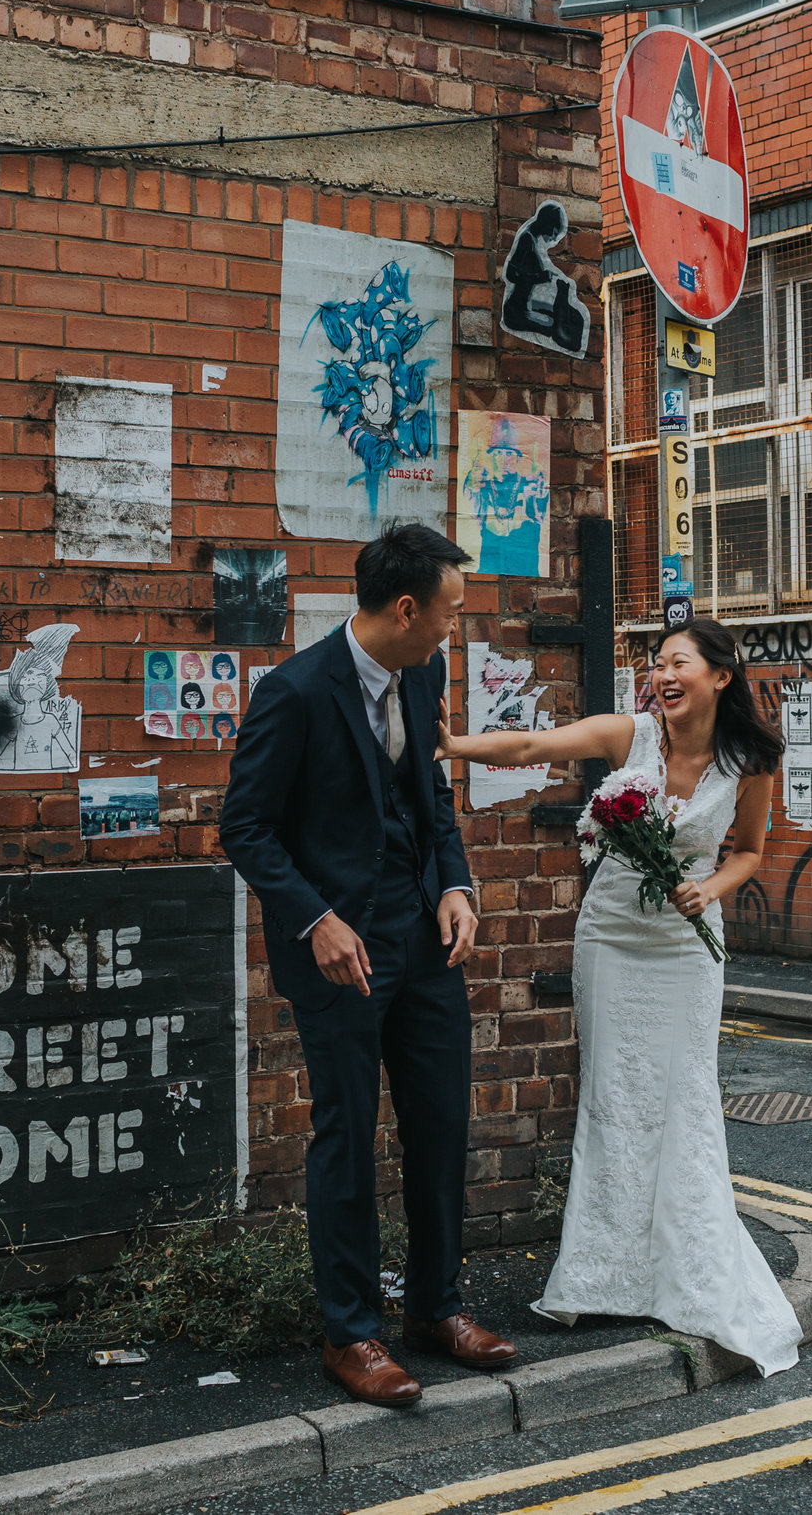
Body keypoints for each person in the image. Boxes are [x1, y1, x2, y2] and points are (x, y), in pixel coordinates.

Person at [438, 616, 802, 1378]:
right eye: (658, 664)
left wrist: (710, 888)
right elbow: (537, 747)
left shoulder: (749, 757)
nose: (663, 676)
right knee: (613, 1096)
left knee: (684, 1095)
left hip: (684, 946)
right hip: (611, 935)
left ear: (720, 676)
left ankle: (686, 1264)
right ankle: (606, 1272)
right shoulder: (629, 735)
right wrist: (456, 747)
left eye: (679, 663)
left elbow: (750, 851)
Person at [218, 523, 511, 1409]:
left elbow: (432, 798)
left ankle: (436, 1308)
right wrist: (315, 919)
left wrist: (455, 883)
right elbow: (246, 828)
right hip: (339, 953)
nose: (454, 631)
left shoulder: (425, 672)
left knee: (440, 1123)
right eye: (451, 614)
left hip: (424, 941)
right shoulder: (294, 690)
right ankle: (350, 1332)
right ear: (407, 606)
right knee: (346, 1136)